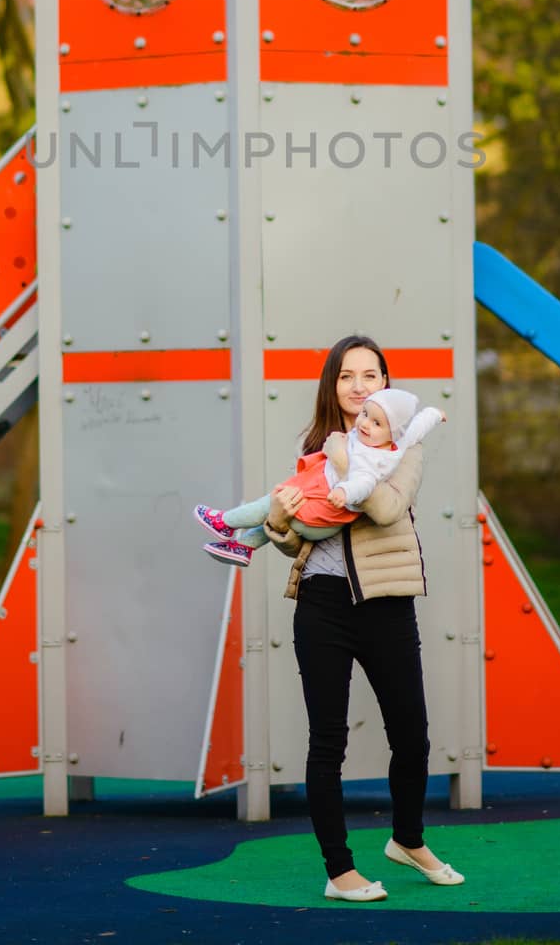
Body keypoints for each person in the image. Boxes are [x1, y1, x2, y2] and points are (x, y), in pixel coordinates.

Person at [258, 334, 465, 903]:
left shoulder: (402, 446)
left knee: (413, 737)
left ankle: (407, 840)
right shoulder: (318, 447)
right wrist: (278, 521)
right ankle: (339, 871)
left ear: (385, 383)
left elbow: (386, 507)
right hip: (322, 606)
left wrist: (351, 463)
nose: (358, 386)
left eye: (370, 376)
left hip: (387, 605)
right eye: (347, 376)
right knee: (327, 742)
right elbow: (302, 537)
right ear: (334, 384)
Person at [194, 388, 443, 567]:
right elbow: (417, 426)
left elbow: (364, 484)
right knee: (276, 507)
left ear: (393, 432)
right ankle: (244, 548)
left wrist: (344, 489)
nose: (365, 424)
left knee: (269, 502)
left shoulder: (375, 460)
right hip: (317, 517)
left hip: (325, 512)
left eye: (377, 423)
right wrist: (434, 413)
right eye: (365, 414)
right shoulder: (394, 440)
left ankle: (224, 522)